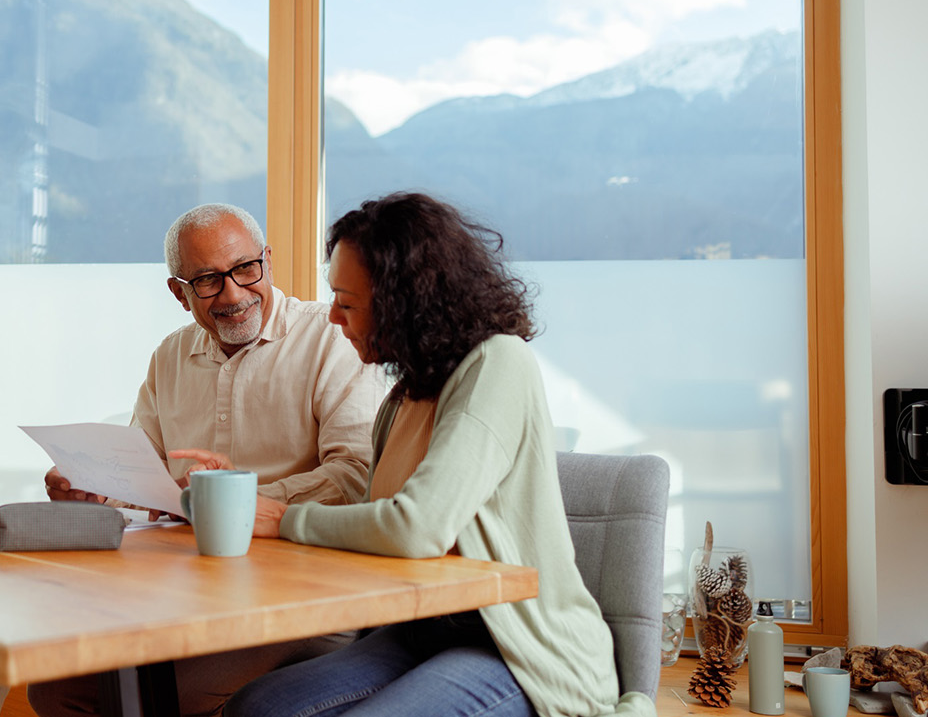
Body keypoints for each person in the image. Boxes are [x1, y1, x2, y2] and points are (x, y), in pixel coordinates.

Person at [226, 193, 656, 717]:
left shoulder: (498, 364)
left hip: (513, 646)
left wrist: (287, 521)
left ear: (401, 303)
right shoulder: (404, 396)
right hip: (420, 632)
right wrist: (248, 500)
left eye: (347, 301)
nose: (333, 316)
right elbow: (371, 517)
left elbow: (417, 527)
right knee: (257, 706)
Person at [31, 203, 384, 717]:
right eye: (208, 281)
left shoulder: (330, 339)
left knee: (164, 696)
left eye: (246, 269)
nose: (235, 294)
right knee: (54, 690)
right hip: (183, 591)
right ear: (179, 292)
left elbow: (357, 478)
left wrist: (235, 498)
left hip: (300, 599)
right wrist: (92, 485)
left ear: (268, 260)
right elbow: (139, 471)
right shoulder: (169, 357)